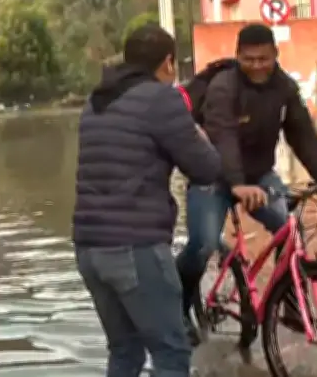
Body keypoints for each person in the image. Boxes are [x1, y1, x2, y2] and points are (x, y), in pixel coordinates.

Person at [177, 23, 317, 340]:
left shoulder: (284, 87)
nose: (257, 66)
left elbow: (302, 133)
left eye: (263, 59)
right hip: (212, 177)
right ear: (238, 56)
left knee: (289, 231)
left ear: (275, 55)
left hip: (258, 175)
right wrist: (237, 184)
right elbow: (222, 137)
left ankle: (293, 306)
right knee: (203, 247)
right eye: (249, 59)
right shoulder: (223, 87)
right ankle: (180, 303)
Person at [73, 24, 221, 377]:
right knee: (170, 352)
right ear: (168, 62)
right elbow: (205, 169)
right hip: (135, 247)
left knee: (124, 352)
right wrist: (198, 134)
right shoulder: (160, 98)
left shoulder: (97, 100)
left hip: (89, 248)